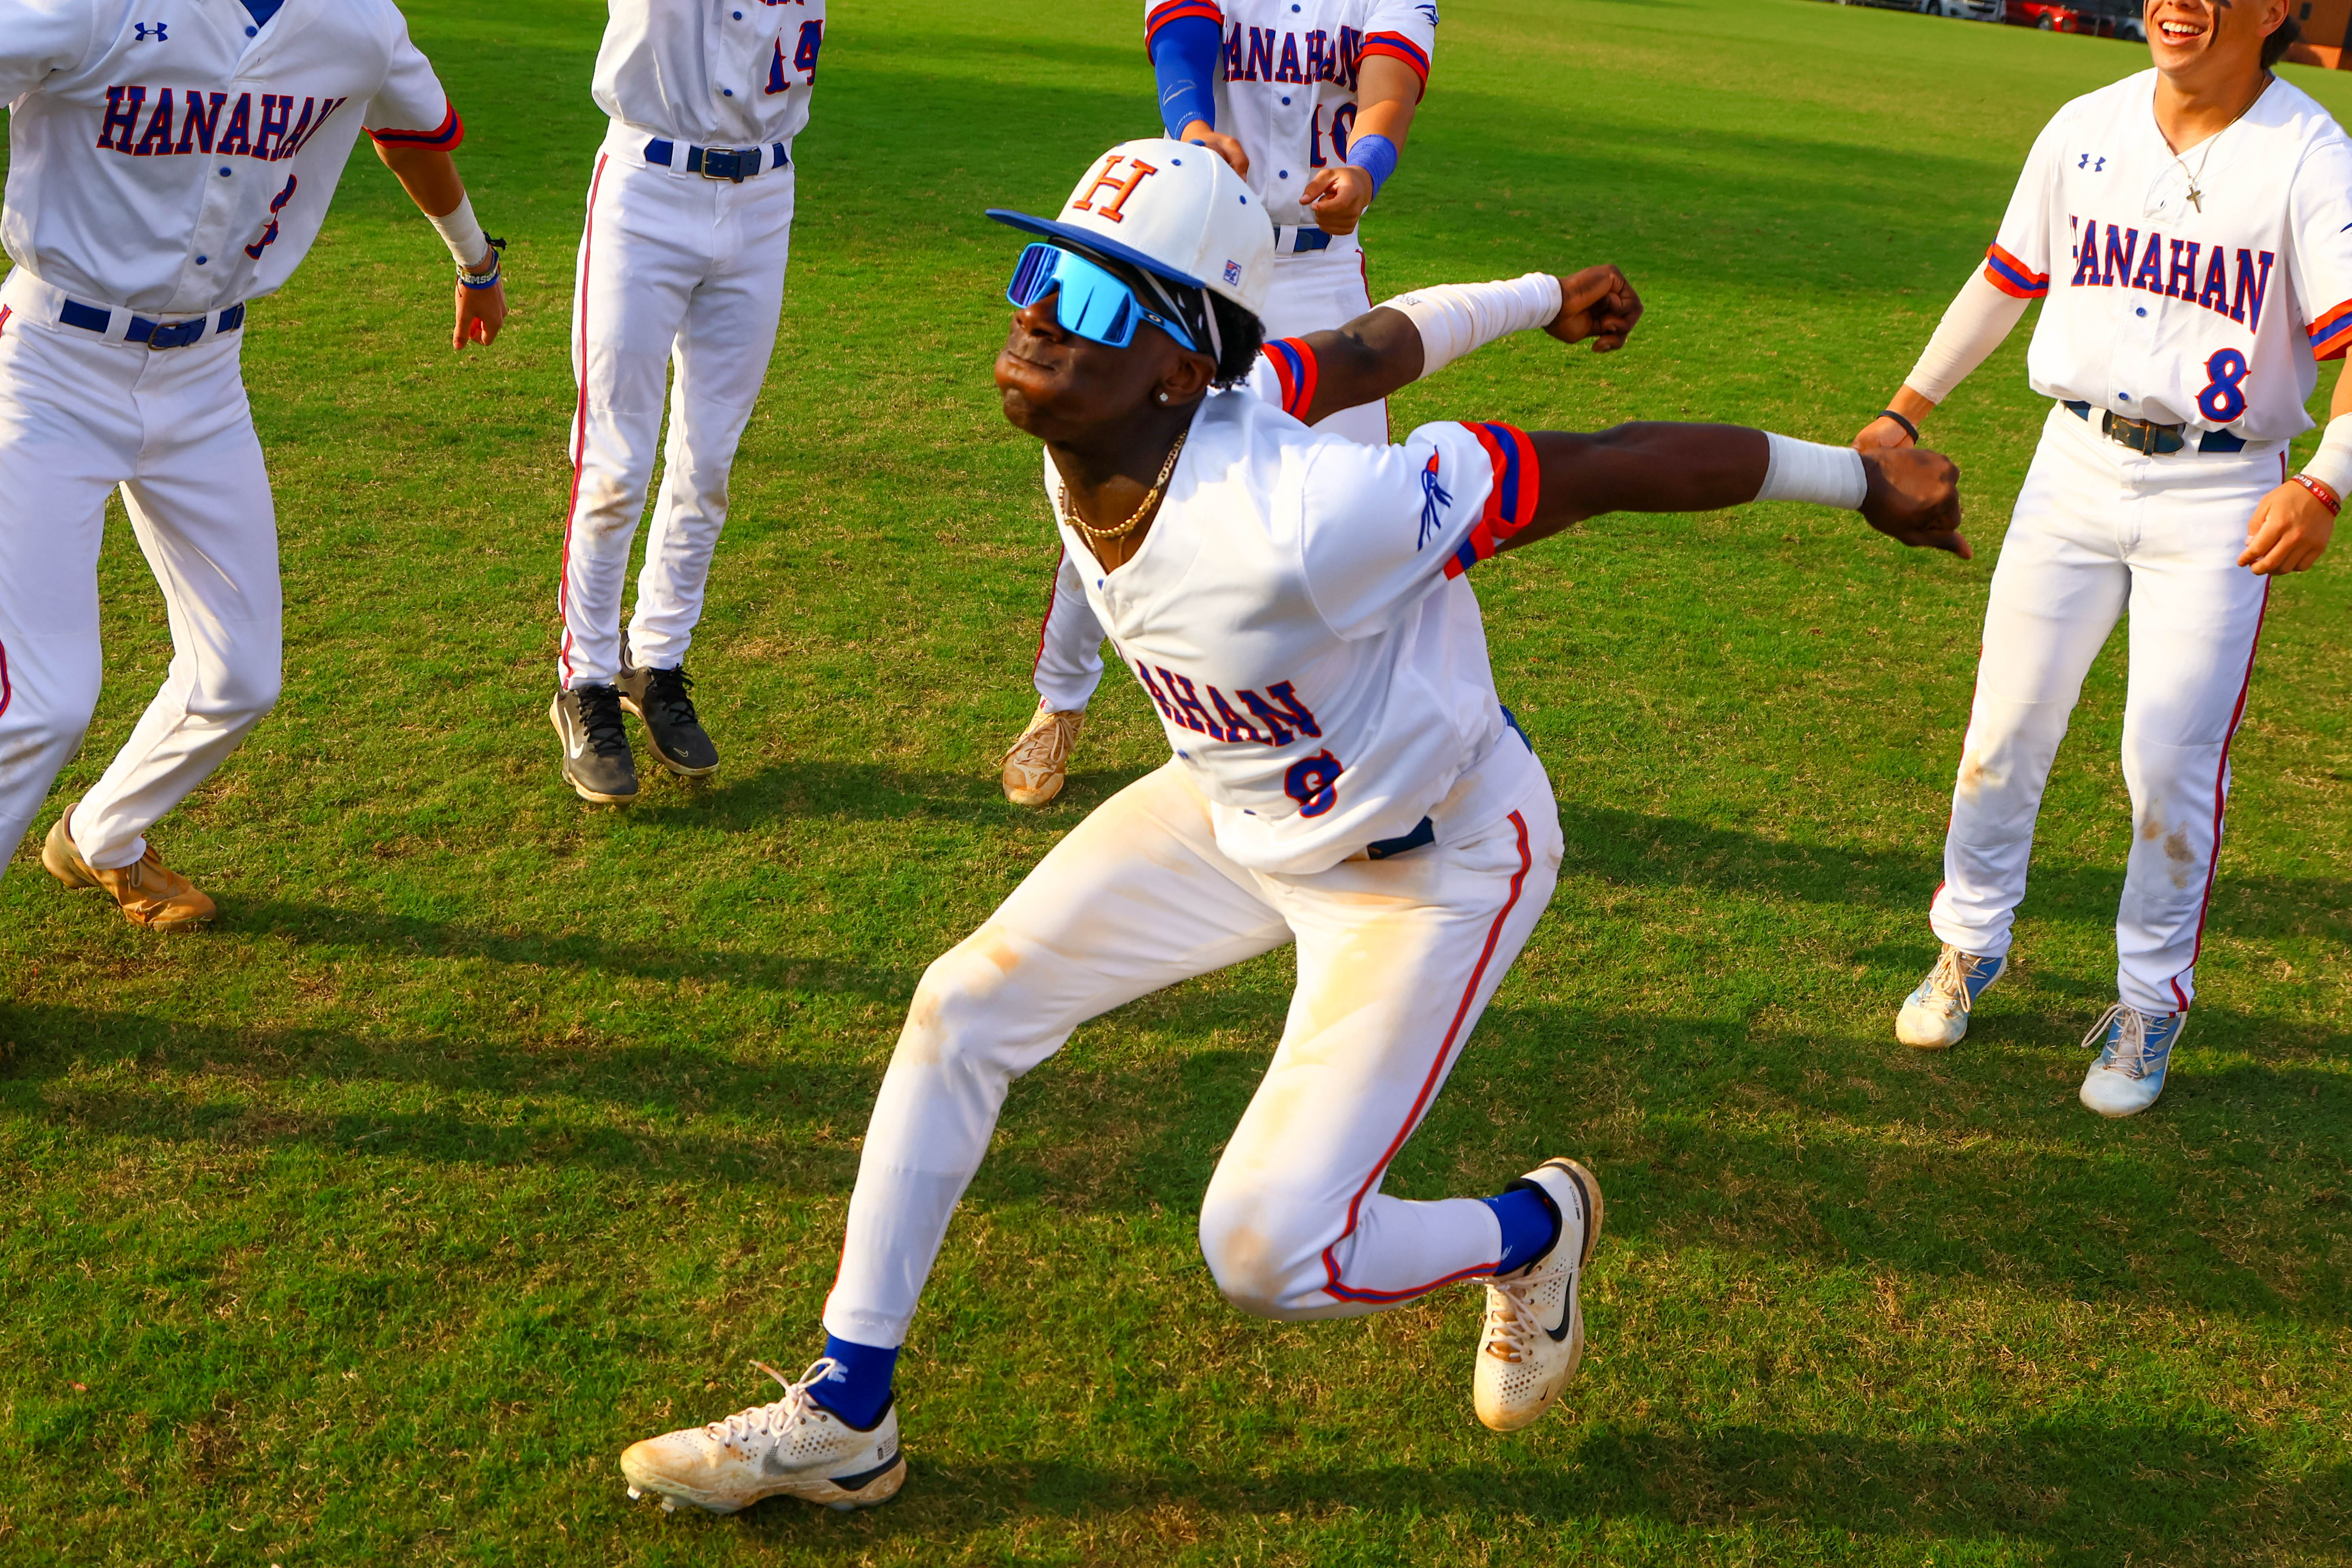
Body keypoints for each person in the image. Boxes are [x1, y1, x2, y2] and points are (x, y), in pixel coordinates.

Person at [614, 140, 1967, 1518]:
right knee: (961, 1006)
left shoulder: (1309, 519)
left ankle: (1534, 1227)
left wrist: (1863, 484)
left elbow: (1607, 465)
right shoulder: (1129, 416)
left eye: (1089, 304)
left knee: (1265, 1255)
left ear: (1175, 369)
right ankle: (848, 1411)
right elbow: (1373, 346)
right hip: (1235, 805)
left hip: (1430, 861)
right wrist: (1539, 290)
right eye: (1035, 279)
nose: (1034, 320)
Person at [1861, 0, 2339, 1117]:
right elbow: (2004, 277)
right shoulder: (2084, 121)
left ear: (2273, 9)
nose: (2176, 2)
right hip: (2071, 464)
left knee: (2166, 764)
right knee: (2001, 731)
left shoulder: (2311, 157)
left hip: (2220, 490)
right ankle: (1966, 945)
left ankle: (2146, 1001)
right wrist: (1902, 410)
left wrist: (2323, 482)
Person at [0, 0, 507, 929]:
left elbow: (411, 132)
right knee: (40, 701)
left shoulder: (355, 21)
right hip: (48, 367)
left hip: (204, 378)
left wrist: (476, 262)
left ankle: (102, 837)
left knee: (240, 676)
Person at [998, 0, 1440, 808]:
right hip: (1201, 274)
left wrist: (1368, 166)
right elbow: (1182, 43)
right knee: (1126, 492)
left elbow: (1390, 86)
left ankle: (1364, 729)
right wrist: (1192, 128)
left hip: (1322, 270)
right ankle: (1060, 699)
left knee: (1358, 506)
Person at [545, 0, 825, 804]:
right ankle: (587, 680)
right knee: (614, 465)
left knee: (708, 464)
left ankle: (657, 666)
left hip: (765, 196)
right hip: (647, 190)